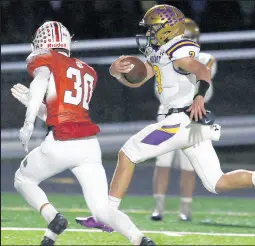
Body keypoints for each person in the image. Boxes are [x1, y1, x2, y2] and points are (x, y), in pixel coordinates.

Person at [75, 4, 255, 230]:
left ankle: (108, 216)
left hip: (179, 121)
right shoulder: (162, 51)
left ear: (167, 29)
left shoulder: (177, 49)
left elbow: (202, 71)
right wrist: (116, 73)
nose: (148, 34)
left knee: (128, 153)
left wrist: (199, 97)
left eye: (152, 29)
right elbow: (139, 80)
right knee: (216, 182)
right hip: (191, 126)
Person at [12, 21, 155, 246]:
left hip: (61, 142)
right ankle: (140, 239)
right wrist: (33, 103)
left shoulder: (44, 59)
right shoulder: (86, 70)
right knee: (101, 210)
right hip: (88, 146)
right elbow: (63, 113)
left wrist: (28, 122)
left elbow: (40, 81)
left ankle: (53, 219)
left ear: (42, 42)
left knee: (22, 179)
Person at [151, 18, 217, 222]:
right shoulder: (164, 57)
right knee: (162, 162)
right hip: (168, 113)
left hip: (193, 114)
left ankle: (185, 209)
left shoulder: (205, 58)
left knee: (189, 165)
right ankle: (158, 207)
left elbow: (198, 77)